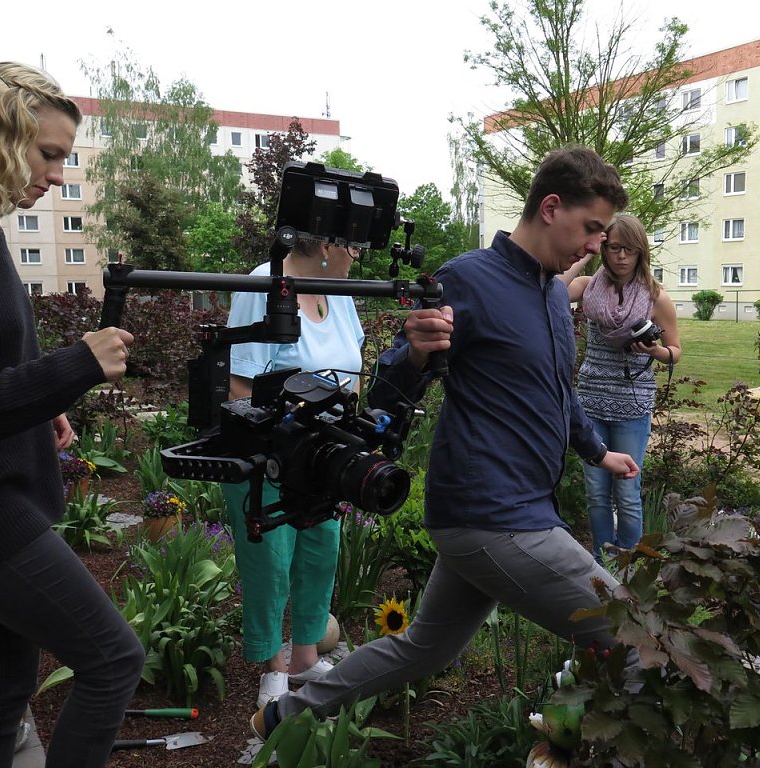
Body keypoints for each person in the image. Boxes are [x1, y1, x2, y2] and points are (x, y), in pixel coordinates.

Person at [251, 146, 641, 738]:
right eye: (590, 228)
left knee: (424, 648)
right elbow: (386, 392)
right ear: (551, 208)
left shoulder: (553, 296)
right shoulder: (468, 280)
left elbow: (559, 394)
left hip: (513, 510)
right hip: (492, 515)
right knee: (635, 637)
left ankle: (280, 717)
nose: (595, 245)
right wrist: (413, 353)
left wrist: (597, 451)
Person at [0, 63, 144, 768]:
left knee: (1, 688)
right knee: (113, 659)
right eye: (49, 154)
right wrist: (72, 368)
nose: (58, 175)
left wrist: (40, 409)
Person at [223, 238, 364, 709]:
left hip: (327, 452)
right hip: (272, 454)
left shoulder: (339, 293)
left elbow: (354, 366)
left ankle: (305, 656)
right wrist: (279, 447)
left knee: (322, 550)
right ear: (327, 244)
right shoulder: (264, 285)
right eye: (354, 247)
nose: (357, 258)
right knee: (270, 562)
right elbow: (239, 383)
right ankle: (273, 668)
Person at [559, 213, 682, 558]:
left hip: (632, 406)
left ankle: (629, 564)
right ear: (604, 249)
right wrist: (586, 251)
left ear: (641, 251)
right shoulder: (588, 287)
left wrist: (656, 351)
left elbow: (675, 351)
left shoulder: (656, 297)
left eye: (629, 249)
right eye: (613, 248)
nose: (622, 256)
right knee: (596, 493)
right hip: (590, 404)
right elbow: (553, 288)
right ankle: (603, 564)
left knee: (627, 492)